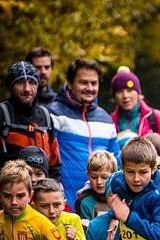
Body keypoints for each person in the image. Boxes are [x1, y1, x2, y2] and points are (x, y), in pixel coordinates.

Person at [0, 61, 62, 189]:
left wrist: (52, 192)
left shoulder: (45, 118)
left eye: (32, 83)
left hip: (41, 200)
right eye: (20, 83)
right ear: (11, 86)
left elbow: (55, 165)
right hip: (8, 198)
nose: (27, 89)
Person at [48, 58, 120, 207]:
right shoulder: (53, 114)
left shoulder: (106, 119)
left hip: (98, 207)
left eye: (94, 83)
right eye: (83, 82)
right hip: (62, 205)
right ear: (69, 83)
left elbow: (116, 165)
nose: (89, 87)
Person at [110, 67, 160, 153]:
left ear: (138, 93)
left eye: (129, 90)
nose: (125, 96)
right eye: (120, 91)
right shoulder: (109, 122)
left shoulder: (156, 118)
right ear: (114, 96)